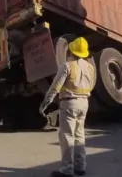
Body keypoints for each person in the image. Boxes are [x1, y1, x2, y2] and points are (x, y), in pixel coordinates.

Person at [39, 37, 96, 177]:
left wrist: (45, 103)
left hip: (70, 103)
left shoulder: (67, 66)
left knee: (67, 137)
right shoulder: (90, 67)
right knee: (79, 135)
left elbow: (55, 87)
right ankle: (80, 167)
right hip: (84, 103)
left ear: (72, 51)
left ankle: (66, 170)